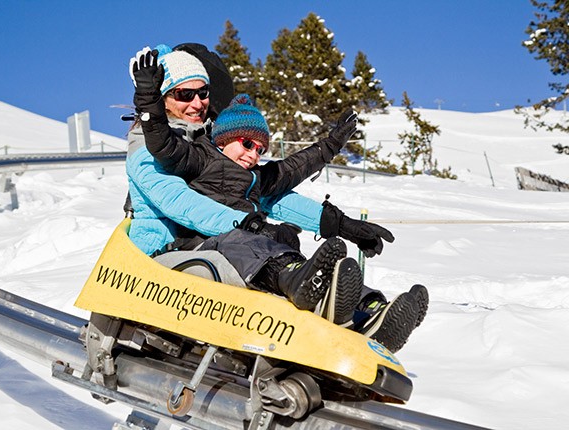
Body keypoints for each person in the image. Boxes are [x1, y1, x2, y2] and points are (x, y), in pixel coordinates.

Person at [126, 44, 427, 352]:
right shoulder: (148, 148)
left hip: (225, 245)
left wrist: (343, 225)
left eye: (203, 93)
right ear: (161, 99)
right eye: (184, 95)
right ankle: (299, 282)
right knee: (256, 248)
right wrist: (246, 224)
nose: (198, 103)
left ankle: (367, 313)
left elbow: (275, 190)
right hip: (160, 260)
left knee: (289, 256)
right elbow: (180, 202)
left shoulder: (211, 146)